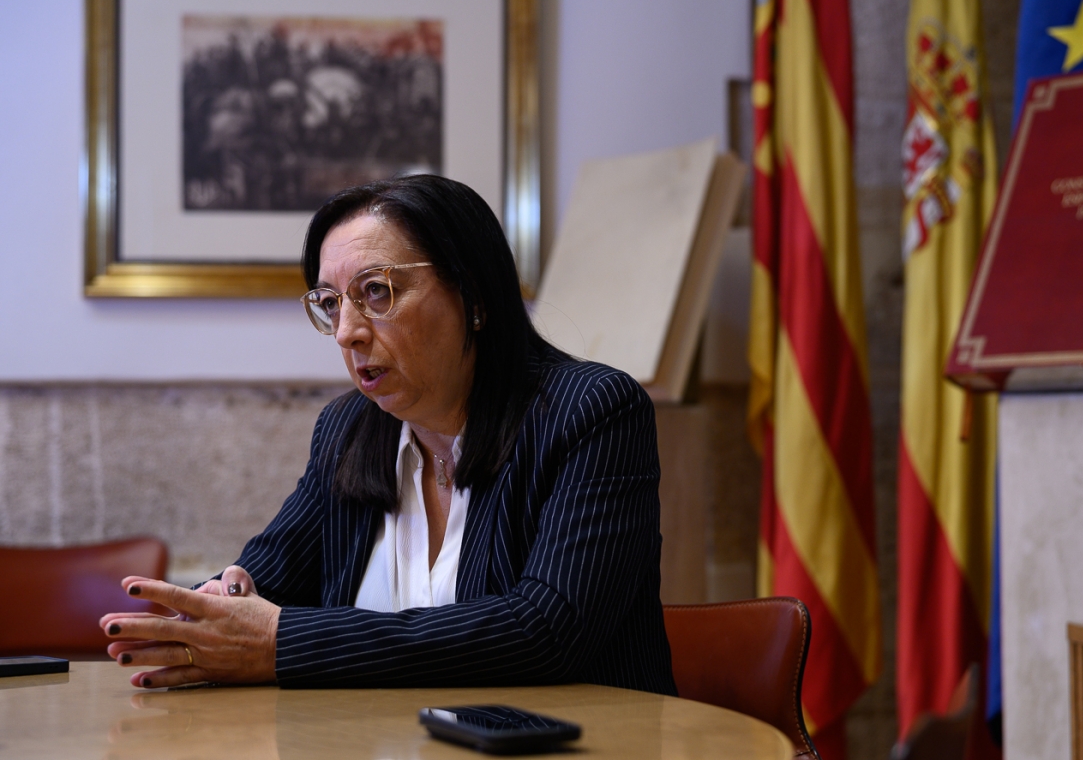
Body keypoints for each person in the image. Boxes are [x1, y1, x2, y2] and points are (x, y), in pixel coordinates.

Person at [101, 175, 676, 695]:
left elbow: (545, 631)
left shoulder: (591, 412)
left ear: (473, 296)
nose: (346, 332)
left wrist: (284, 643)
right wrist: (211, 612)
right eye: (330, 303)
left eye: (377, 292)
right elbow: (265, 582)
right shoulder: (348, 428)